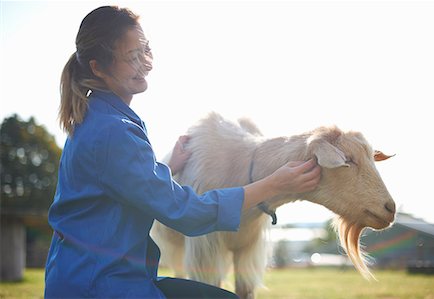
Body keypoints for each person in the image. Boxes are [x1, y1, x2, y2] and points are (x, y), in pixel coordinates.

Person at [44, 6, 321, 299]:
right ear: (98, 67)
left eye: (145, 50)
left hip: (93, 277)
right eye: (131, 57)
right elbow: (187, 214)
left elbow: (126, 186)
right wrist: (274, 184)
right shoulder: (114, 132)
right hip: (101, 286)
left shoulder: (98, 120)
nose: (144, 63)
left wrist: (167, 165)